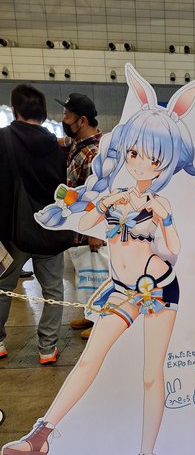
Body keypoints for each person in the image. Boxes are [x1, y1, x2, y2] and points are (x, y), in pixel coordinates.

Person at [2, 69, 195, 455]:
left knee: (150, 374)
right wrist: (97, 204)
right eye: (135, 153)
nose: (141, 163)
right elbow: (84, 224)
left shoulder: (160, 202)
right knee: (90, 360)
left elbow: (172, 254)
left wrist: (163, 217)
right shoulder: (115, 196)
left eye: (154, 158)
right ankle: (42, 434)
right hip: (122, 289)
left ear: (167, 162)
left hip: (159, 288)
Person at [0, 84, 66, 364]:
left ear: (15, 111)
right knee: (53, 290)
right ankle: (47, 349)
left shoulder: (3, 140)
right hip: (51, 229)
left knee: (3, 288)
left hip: (13, 231)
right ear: (44, 113)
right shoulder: (57, 146)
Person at [56, 93, 103, 339]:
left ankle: (101, 320)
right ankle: (89, 312)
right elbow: (60, 142)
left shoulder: (96, 153)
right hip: (77, 223)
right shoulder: (78, 143)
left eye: (67, 116)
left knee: (98, 274)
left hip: (91, 226)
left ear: (82, 121)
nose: (63, 120)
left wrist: (95, 233)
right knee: (84, 273)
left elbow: (100, 195)